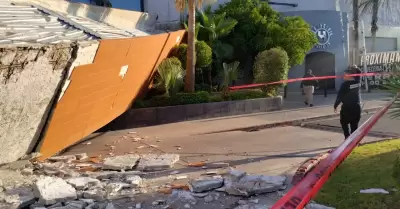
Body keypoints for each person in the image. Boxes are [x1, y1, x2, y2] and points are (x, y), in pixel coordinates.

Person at [334, 66, 362, 139]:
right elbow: (359, 73)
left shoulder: (345, 85)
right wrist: (355, 68)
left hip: (347, 108)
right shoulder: (358, 82)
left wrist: (335, 105)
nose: (343, 76)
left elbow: (340, 96)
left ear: (349, 75)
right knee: (354, 125)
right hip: (356, 107)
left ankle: (347, 137)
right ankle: (352, 140)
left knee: (344, 122)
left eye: (345, 74)